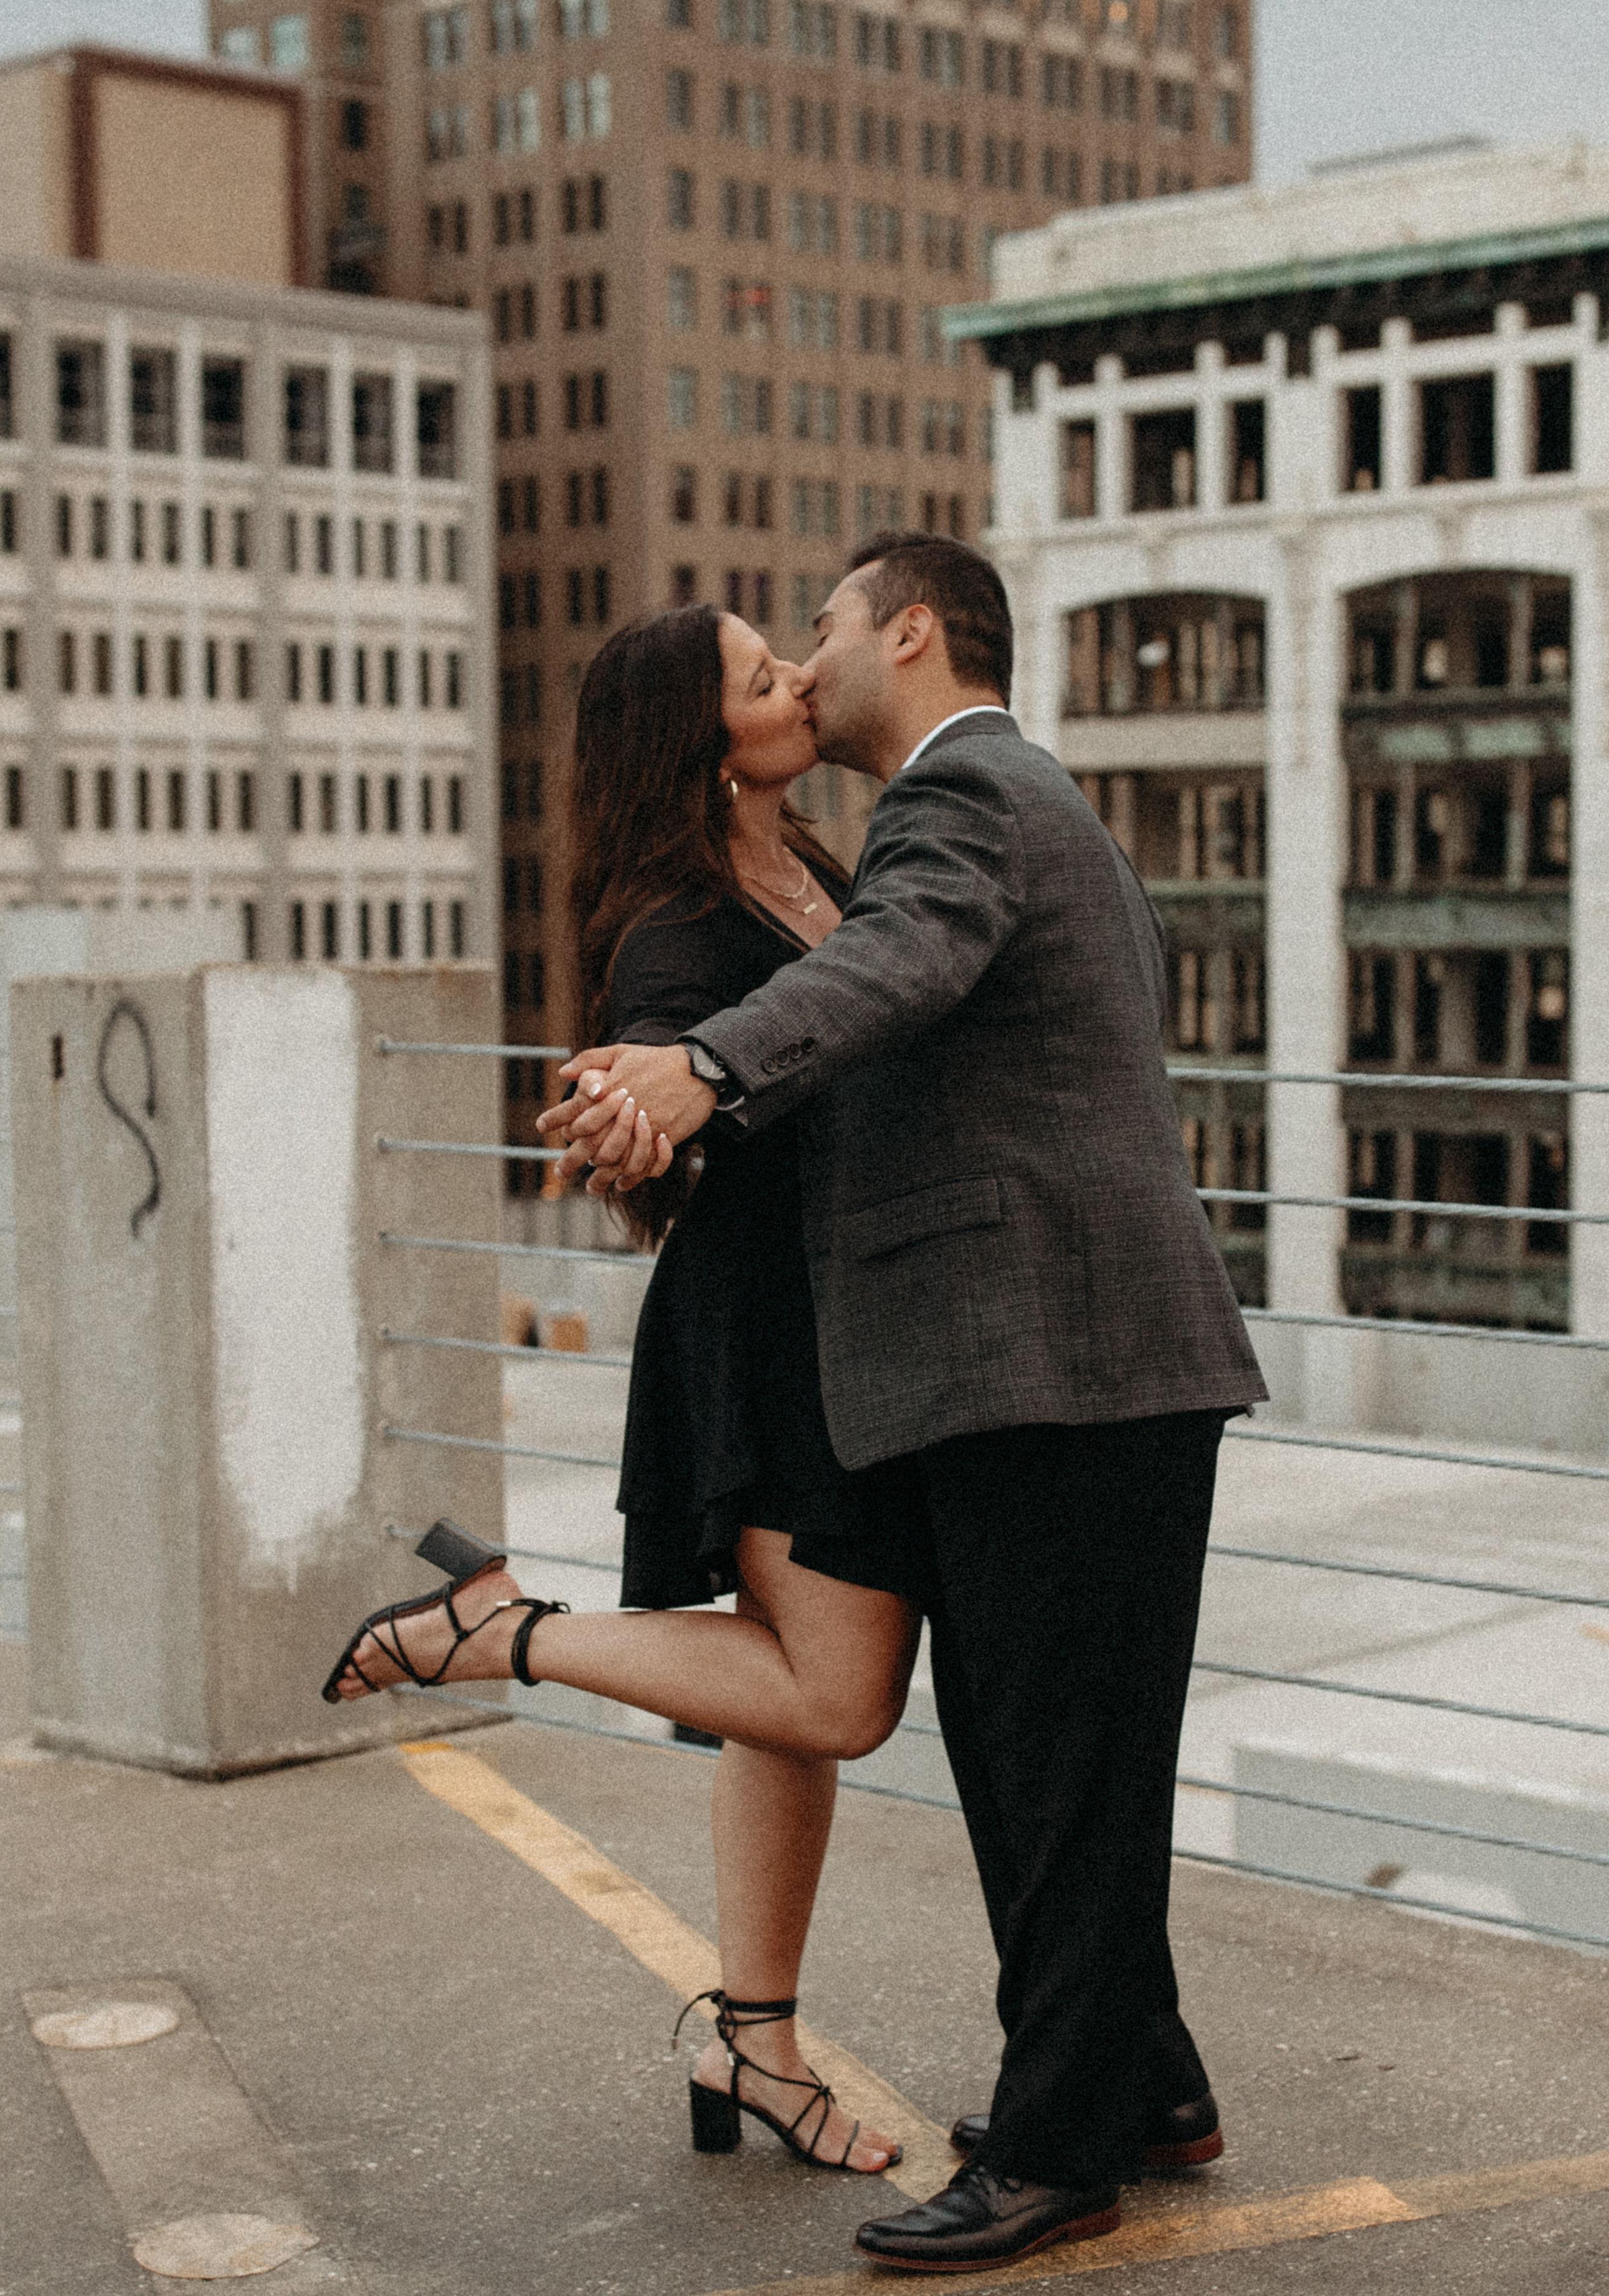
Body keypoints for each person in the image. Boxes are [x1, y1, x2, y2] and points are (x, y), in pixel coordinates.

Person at [546, 533, 1267, 2274]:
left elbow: (890, 969)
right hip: (1040, 1361)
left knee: (1059, 1775)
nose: (808, 663)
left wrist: (699, 1067)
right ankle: (1145, 2084)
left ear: (914, 631)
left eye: (822, 628)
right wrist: (670, 1096)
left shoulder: (960, 801)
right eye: (774, 655)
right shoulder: (996, 803)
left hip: (1057, 1364)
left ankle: (1058, 2148)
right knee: (1054, 1768)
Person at [320, 602, 918, 2179]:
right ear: (707, 747)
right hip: (772, 1348)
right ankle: (499, 1632)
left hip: (847, 1332)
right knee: (837, 1698)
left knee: (782, 1708)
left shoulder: (815, 869)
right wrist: (635, 1104)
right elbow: (653, 1054)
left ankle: (755, 2045)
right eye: (763, 678)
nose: (800, 680)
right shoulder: (678, 923)